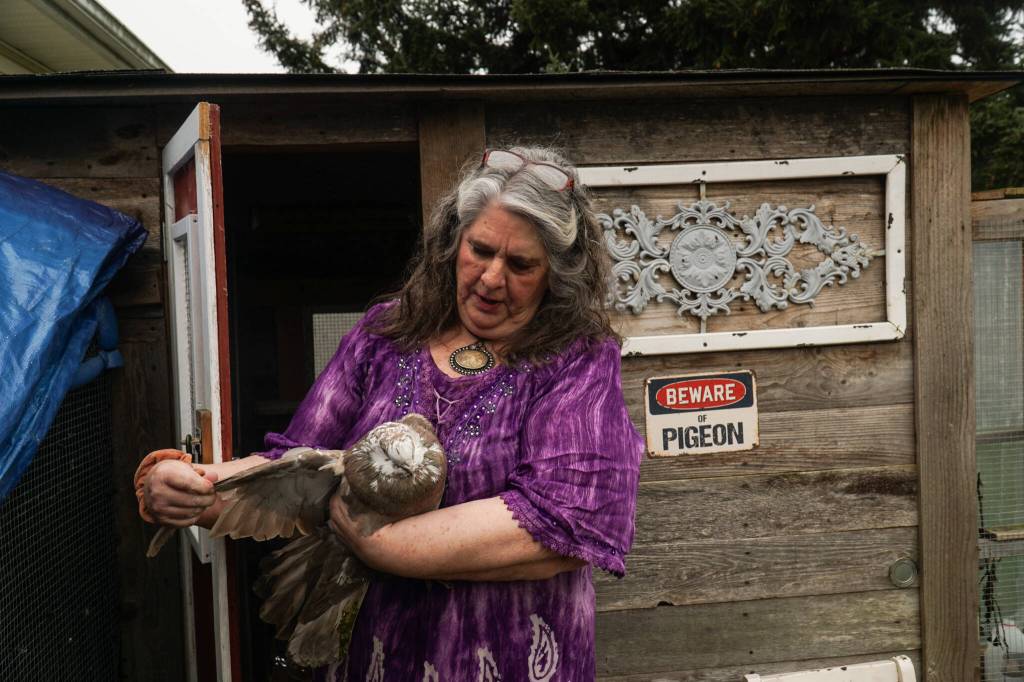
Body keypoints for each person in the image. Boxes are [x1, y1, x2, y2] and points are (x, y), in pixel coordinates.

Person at [138, 146, 644, 681]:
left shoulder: (576, 360)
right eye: (480, 250)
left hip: (511, 655)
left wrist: (382, 546)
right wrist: (198, 484)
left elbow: (564, 521)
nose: (492, 279)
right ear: (453, 243)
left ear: (556, 276)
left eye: (520, 265)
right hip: (374, 655)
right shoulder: (386, 334)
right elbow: (294, 467)